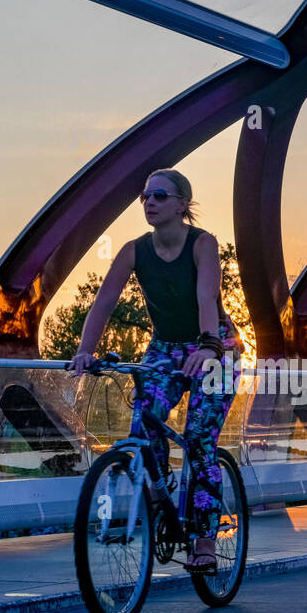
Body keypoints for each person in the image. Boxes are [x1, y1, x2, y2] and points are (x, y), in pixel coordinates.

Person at [68, 169, 239, 573]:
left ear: (182, 204)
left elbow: (205, 297)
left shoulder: (203, 244)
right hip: (164, 348)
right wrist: (85, 352)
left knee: (199, 441)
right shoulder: (133, 250)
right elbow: (105, 301)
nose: (150, 202)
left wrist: (209, 345)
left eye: (160, 195)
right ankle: (162, 499)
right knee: (143, 426)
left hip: (216, 347)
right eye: (144, 195)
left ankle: (205, 542)